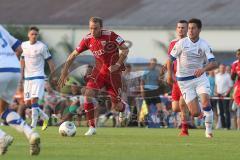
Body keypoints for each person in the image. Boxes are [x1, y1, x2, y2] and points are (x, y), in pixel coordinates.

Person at [58, 17, 129, 136]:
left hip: (114, 75)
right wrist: (64, 72)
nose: (92, 31)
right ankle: (92, 127)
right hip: (99, 72)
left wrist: (117, 65)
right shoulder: (87, 39)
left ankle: (123, 108)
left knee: (116, 106)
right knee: (88, 94)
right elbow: (73, 54)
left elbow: (125, 50)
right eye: (90, 28)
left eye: (95, 28)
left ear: (101, 28)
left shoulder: (110, 35)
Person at [167, 18, 218, 138]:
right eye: (189, 28)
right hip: (184, 82)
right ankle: (204, 110)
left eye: (193, 28)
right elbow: (170, 59)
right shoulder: (181, 43)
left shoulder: (204, 44)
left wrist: (203, 69)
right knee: (195, 113)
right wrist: (169, 74)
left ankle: (208, 131)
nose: (190, 30)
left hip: (199, 78)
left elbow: (214, 63)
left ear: (199, 30)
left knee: (206, 101)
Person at [0, 25, 40, 155]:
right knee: (2, 110)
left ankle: (2, 137)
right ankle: (31, 133)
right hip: (14, 69)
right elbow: (18, 47)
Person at [21, 26, 55, 130]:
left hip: (38, 76)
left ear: (37, 35)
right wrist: (21, 74)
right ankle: (45, 117)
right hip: (27, 78)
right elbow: (22, 59)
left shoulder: (42, 46)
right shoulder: (24, 45)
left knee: (34, 100)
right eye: (32, 34)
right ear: (28, 35)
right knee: (27, 103)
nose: (34, 36)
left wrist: (53, 76)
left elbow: (50, 62)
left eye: (36, 34)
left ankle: (33, 125)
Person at [167, 20, 190, 136]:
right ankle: (194, 105)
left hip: (186, 79)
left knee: (182, 104)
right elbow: (170, 60)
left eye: (183, 28)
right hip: (176, 79)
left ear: (187, 29)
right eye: (179, 27)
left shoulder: (191, 42)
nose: (181, 29)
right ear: (177, 29)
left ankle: (184, 129)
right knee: (175, 108)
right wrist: (169, 74)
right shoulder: (173, 43)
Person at [140, 58, 168, 127]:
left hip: (155, 92)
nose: (153, 65)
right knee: (147, 109)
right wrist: (142, 91)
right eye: (152, 63)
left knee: (160, 108)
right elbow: (142, 82)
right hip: (147, 91)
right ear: (150, 63)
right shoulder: (145, 71)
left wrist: (161, 80)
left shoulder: (157, 72)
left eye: (155, 64)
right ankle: (146, 124)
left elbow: (159, 82)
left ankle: (162, 123)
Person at [215, 64, 233, 129]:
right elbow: (216, 85)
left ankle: (228, 126)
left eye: (223, 68)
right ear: (219, 68)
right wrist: (216, 92)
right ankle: (223, 125)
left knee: (226, 110)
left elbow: (231, 86)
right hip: (219, 95)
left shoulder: (228, 76)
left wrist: (226, 93)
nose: (222, 69)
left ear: (225, 69)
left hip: (225, 95)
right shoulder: (217, 76)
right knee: (221, 111)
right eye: (221, 68)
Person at [231, 49, 240, 130]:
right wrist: (234, 73)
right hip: (238, 87)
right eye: (238, 54)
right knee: (234, 108)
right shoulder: (235, 64)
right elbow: (232, 77)